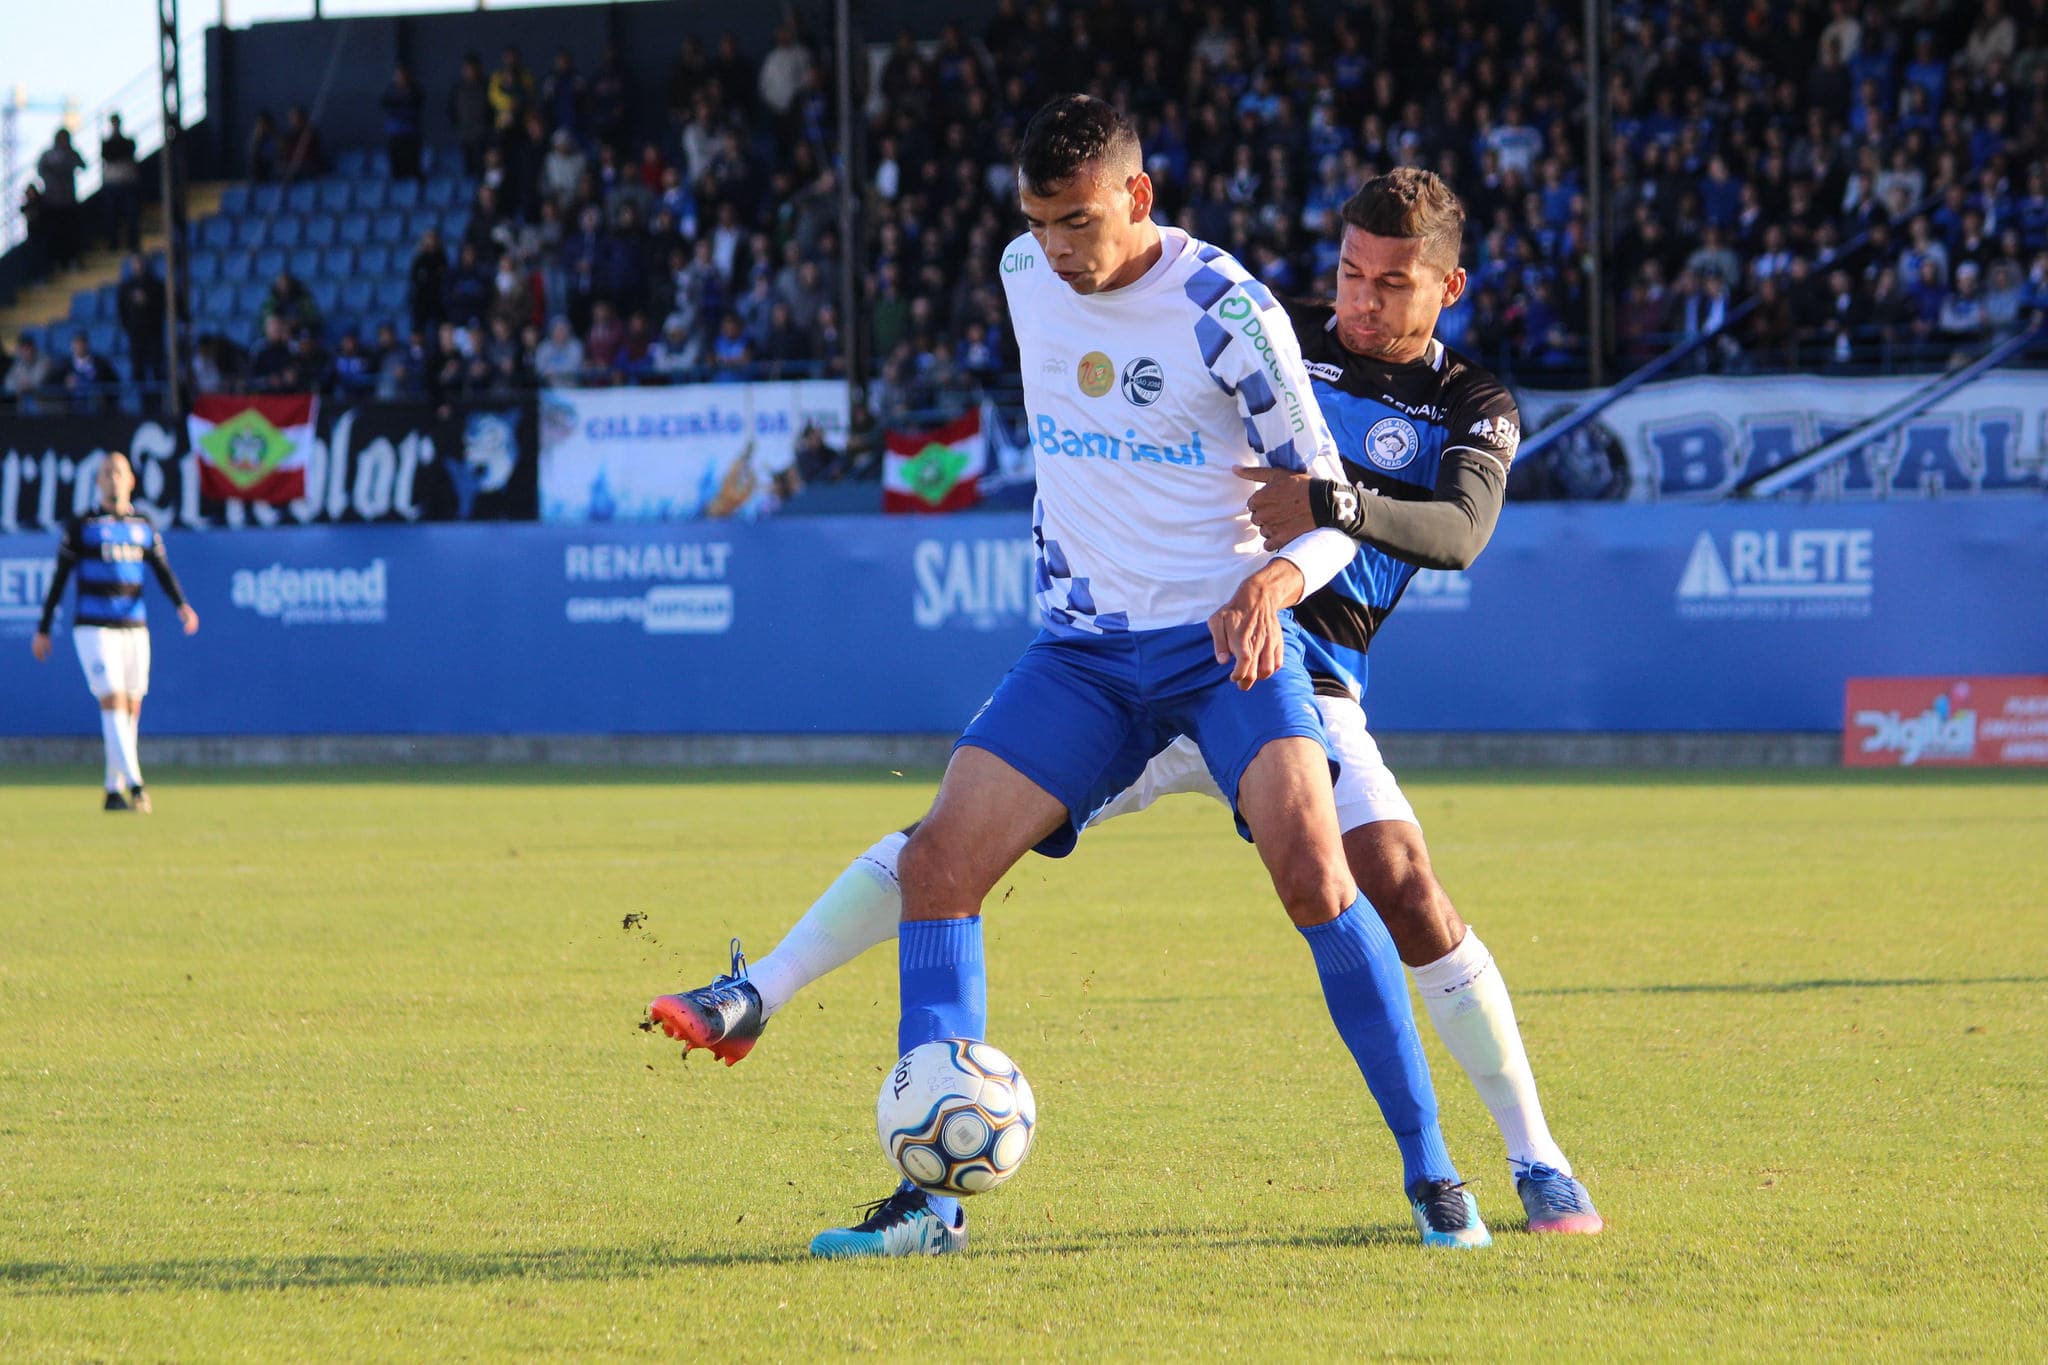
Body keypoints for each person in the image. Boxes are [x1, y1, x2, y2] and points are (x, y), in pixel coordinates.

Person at [650, 168, 1603, 1242]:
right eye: (1349, 273)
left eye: (1391, 284)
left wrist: (1333, 504)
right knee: (948, 843)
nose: (1361, 301)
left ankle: (1534, 1158)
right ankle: (767, 995)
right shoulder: (1267, 331)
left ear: (1448, 288)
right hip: (1156, 648)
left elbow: (1460, 531)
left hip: (1299, 669)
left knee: (1399, 881)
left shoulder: (1469, 403)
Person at [30, 451, 199, 813]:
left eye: (119, 472)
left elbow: (162, 570)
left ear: (132, 480)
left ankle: (112, 789)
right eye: (106, 472)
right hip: (94, 627)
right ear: (97, 481)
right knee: (113, 700)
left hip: (134, 628)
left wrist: (181, 605)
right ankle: (137, 786)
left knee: (131, 707)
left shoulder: (143, 524)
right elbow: (59, 578)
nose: (113, 478)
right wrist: (43, 628)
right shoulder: (83, 526)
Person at [37, 129, 87, 271]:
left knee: (71, 234)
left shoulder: (71, 153)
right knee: (55, 235)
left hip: (69, 202)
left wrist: (71, 155)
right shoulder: (47, 155)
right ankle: (56, 263)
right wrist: (55, 177)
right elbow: (41, 171)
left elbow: (83, 165)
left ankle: (72, 260)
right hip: (52, 203)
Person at [101, 115, 141, 252]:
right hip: (112, 184)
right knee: (111, 216)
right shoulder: (107, 144)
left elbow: (124, 152)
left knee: (131, 215)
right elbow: (109, 155)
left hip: (128, 183)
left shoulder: (128, 142)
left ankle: (132, 243)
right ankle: (113, 243)